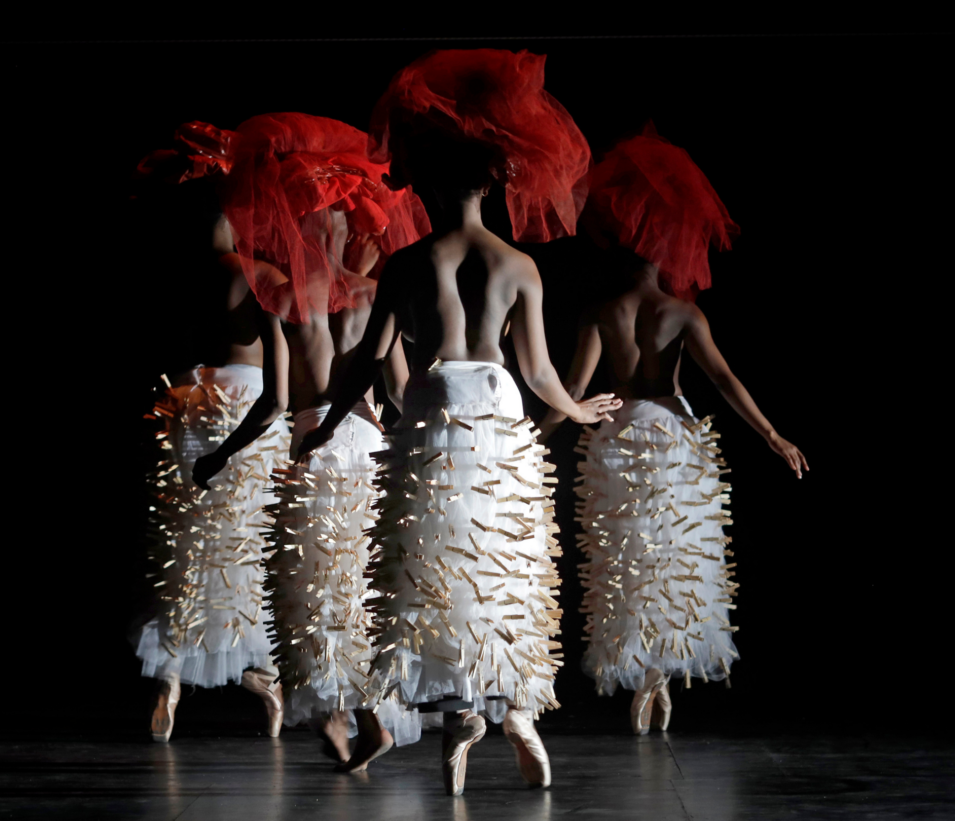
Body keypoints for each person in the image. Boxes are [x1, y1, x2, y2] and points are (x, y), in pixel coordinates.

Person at [295, 49, 621, 794]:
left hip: (433, 404)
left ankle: (456, 723)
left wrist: (325, 426)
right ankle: (515, 713)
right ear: (495, 181)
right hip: (498, 407)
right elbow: (537, 371)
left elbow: (370, 361)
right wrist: (576, 408)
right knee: (501, 560)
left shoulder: (408, 265)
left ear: (438, 185)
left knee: (434, 561)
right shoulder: (518, 265)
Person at [539, 123, 808, 734]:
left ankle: (642, 671)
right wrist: (772, 435)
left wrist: (538, 434)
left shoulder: (601, 312)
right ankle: (660, 674)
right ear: (665, 249)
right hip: (674, 437)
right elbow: (726, 379)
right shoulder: (682, 311)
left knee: (627, 558)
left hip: (617, 433)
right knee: (678, 554)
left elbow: (576, 392)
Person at [190, 112, 427, 765]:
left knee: (314, 585)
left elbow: (272, 401)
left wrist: (220, 454)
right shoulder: (372, 294)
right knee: (359, 583)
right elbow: (402, 393)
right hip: (366, 443)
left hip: (314, 446)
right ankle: (370, 709)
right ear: (349, 229)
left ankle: (340, 712)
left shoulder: (282, 297)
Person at [132, 122, 292, 743]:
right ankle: (262, 676)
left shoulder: (183, 274)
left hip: (189, 400)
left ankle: (170, 677)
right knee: (245, 550)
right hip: (244, 406)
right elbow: (279, 395)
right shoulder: (263, 277)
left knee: (189, 550)